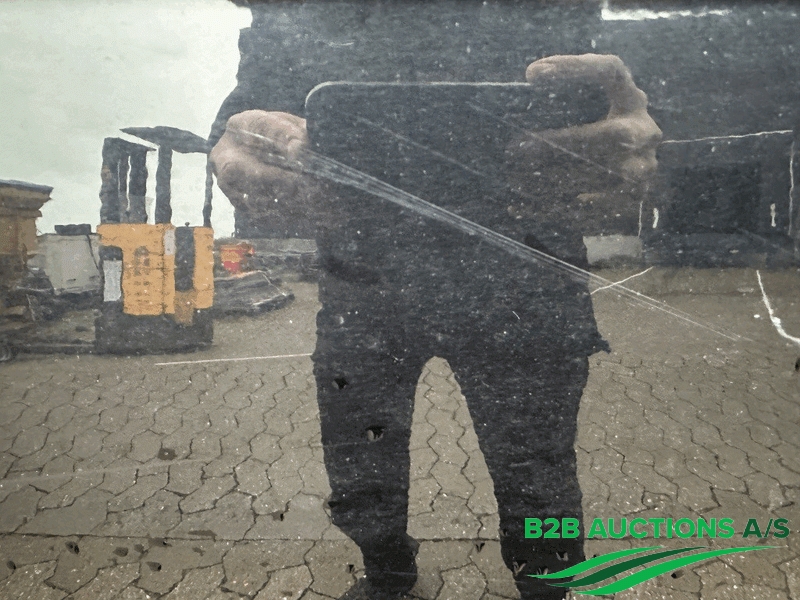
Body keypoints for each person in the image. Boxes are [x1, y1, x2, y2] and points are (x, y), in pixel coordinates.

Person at [210, 3, 660, 598]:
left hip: (496, 276)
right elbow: (247, 109)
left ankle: (534, 581)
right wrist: (234, 141)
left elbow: (611, 102)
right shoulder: (295, 10)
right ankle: (391, 572)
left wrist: (633, 134)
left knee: (531, 465)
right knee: (367, 456)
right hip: (401, 276)